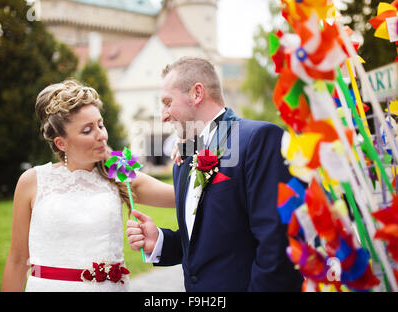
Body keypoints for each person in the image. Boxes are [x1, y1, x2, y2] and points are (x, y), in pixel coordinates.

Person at [126, 57, 304, 291]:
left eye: (168, 102)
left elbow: (278, 242)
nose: (164, 116)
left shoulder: (258, 140)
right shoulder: (184, 159)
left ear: (197, 93)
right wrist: (159, 241)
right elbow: (208, 238)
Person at [1, 80, 175, 292]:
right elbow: (18, 261)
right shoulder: (32, 181)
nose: (101, 135)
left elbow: (183, 197)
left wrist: (192, 156)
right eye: (87, 130)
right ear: (61, 143)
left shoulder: (120, 175)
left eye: (100, 125)